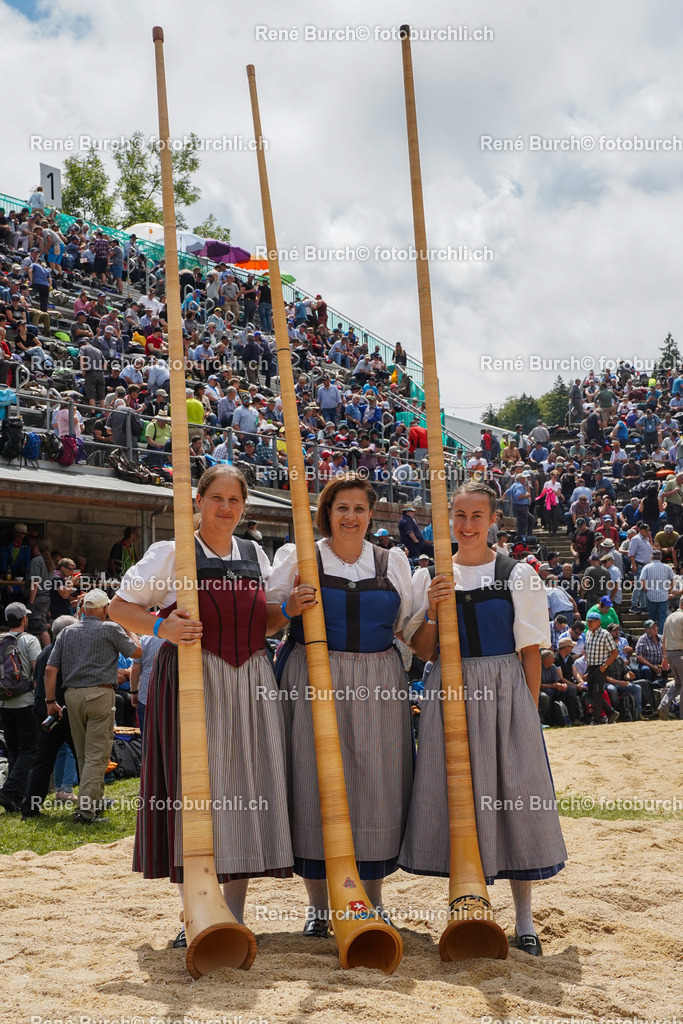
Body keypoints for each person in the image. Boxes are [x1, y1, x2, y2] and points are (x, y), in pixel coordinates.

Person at [108, 465, 297, 946]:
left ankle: (232, 913)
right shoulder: (171, 551)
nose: (226, 508)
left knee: (245, 790)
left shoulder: (256, 553)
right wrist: (161, 627)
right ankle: (195, 911)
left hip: (251, 679)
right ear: (198, 499)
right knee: (198, 794)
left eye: (235, 500)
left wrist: (289, 611)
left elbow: (266, 624)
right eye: (217, 498)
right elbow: (118, 608)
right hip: (192, 678)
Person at [399, 481, 567, 956]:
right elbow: (424, 650)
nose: (467, 525)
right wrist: (432, 609)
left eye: (477, 516)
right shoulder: (432, 573)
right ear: (448, 518)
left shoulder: (517, 573)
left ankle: (524, 918)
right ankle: (467, 905)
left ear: (494, 520)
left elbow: (530, 651)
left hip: (502, 690)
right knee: (454, 795)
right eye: (459, 515)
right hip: (446, 690)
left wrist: (527, 714)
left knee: (513, 795)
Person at [266, 473, 414, 934]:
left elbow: (406, 626)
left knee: (377, 784)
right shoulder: (300, 557)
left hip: (377, 680)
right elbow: (269, 620)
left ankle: (370, 900)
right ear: (327, 512)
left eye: (360, 509)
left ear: (371, 515)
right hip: (312, 675)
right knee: (313, 782)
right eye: (341, 508)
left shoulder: (394, 562)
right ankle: (318, 909)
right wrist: (290, 606)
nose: (351, 517)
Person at [44, 590, 140, 824]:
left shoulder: (66, 631)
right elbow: (138, 651)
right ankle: (86, 812)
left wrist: (50, 702)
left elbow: (50, 669)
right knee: (97, 755)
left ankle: (94, 803)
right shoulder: (111, 628)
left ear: (85, 609)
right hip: (100, 694)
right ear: (105, 609)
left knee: (84, 754)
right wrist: (127, 625)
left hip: (72, 696)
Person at [0, 602, 41, 813]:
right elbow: (38, 669)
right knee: (30, 750)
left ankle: (14, 798)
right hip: (25, 701)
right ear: (24, 619)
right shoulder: (29, 640)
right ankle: (8, 791)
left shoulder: (0, 640)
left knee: (15, 750)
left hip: (4, 703)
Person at [584, 611, 619, 725]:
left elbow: (614, 652)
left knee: (597, 692)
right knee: (591, 693)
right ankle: (611, 712)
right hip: (591, 667)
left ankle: (596, 718)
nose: (588, 623)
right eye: (588, 621)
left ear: (598, 622)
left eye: (591, 621)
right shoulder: (588, 633)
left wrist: (604, 666)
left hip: (601, 666)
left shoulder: (605, 634)